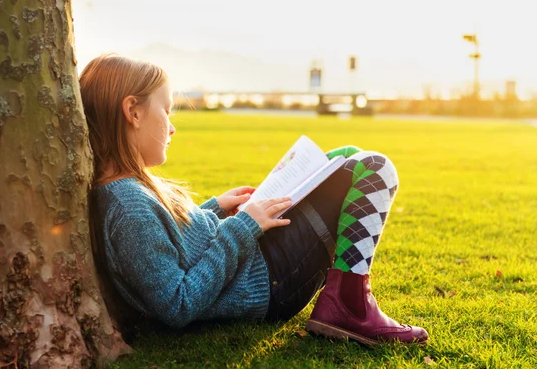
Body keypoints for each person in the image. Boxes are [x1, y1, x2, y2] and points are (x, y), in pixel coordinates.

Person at [80, 54, 428, 346]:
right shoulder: (127, 206)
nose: (172, 127)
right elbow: (177, 303)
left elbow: (173, 244)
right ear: (133, 112)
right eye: (167, 111)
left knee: (345, 157)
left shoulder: (129, 191)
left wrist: (216, 209)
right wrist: (243, 228)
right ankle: (350, 306)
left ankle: (346, 298)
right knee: (373, 168)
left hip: (259, 263)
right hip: (269, 280)